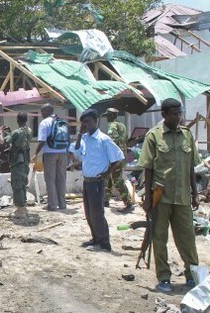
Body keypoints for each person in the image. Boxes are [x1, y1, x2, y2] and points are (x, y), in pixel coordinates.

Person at [137, 98, 200, 292]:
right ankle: (164, 277)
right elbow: (148, 168)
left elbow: (191, 167)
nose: (178, 117)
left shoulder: (187, 135)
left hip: (182, 197)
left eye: (179, 113)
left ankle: (193, 275)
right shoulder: (154, 136)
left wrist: (195, 193)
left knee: (187, 239)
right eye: (174, 114)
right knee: (159, 238)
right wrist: (148, 199)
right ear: (164, 114)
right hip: (160, 197)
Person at [74, 109, 124, 252]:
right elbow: (76, 150)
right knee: (89, 213)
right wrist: (79, 133)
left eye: (88, 122)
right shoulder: (85, 138)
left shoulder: (104, 139)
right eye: (84, 122)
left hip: (97, 182)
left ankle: (104, 243)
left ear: (96, 121)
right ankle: (95, 238)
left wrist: (107, 173)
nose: (86, 124)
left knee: (97, 213)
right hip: (87, 181)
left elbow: (117, 157)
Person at [32, 104, 67, 211]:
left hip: (50, 153)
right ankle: (62, 204)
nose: (41, 114)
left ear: (47, 111)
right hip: (63, 152)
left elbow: (42, 140)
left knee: (50, 179)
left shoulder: (44, 122)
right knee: (61, 178)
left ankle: (52, 205)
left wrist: (35, 153)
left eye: (42, 111)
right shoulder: (62, 121)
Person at [1, 112, 31, 218]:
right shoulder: (29, 130)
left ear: (17, 120)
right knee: (23, 182)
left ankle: (20, 209)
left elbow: (5, 142)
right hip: (26, 160)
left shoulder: (17, 132)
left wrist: (4, 133)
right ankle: (23, 205)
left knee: (17, 183)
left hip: (17, 161)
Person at [103, 108, 134, 212]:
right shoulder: (122, 126)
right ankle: (105, 200)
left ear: (112, 115)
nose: (106, 117)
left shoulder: (113, 126)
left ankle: (128, 203)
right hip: (121, 155)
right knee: (109, 177)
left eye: (108, 115)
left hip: (114, 157)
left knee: (117, 179)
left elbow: (113, 141)